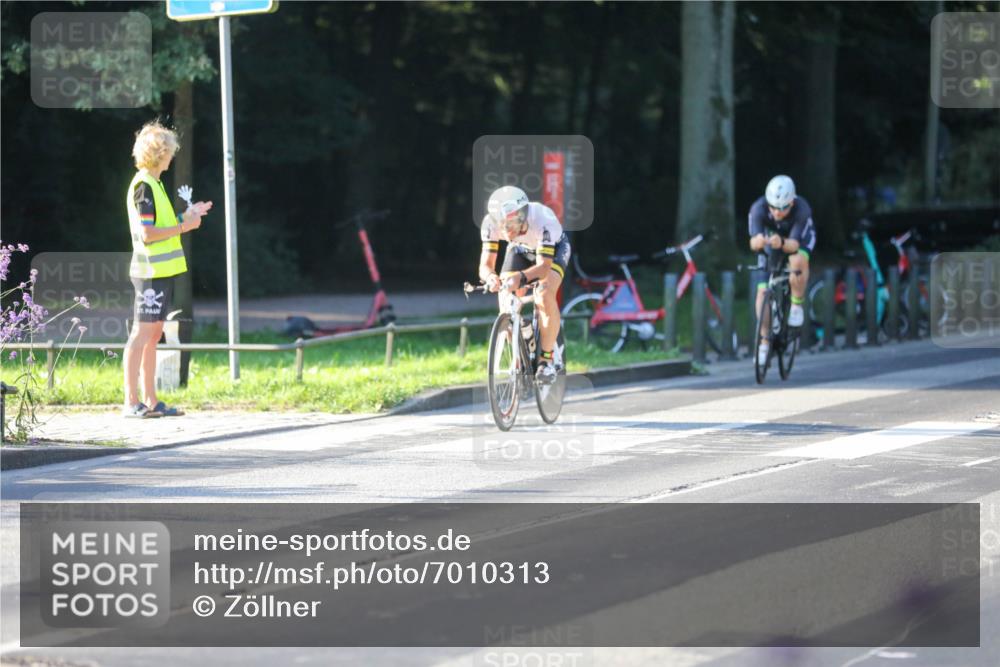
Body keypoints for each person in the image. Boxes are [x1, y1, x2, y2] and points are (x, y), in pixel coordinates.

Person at [123, 121, 212, 418]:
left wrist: (185, 215)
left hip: (160, 273)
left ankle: (150, 400)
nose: (172, 156)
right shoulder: (145, 187)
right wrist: (184, 225)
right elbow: (148, 234)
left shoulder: (153, 184)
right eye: (170, 151)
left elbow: (159, 225)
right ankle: (131, 402)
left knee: (153, 334)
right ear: (159, 153)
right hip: (149, 273)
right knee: (142, 333)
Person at [478, 185, 570, 383]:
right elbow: (485, 266)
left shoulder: (543, 219)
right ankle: (520, 352)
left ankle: (546, 362)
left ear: (522, 216)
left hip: (552, 251)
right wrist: (491, 278)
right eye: (501, 224)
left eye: (510, 224)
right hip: (520, 250)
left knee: (544, 293)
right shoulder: (490, 224)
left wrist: (518, 278)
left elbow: (544, 268)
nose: (505, 230)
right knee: (505, 298)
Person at [748, 175, 816, 364]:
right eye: (773, 207)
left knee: (797, 260)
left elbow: (794, 244)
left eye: (783, 208)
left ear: (792, 203)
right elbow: (753, 242)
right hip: (772, 242)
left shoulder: (802, 209)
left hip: (797, 240)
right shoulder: (758, 208)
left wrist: (783, 242)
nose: (777, 212)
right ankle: (764, 342)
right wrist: (758, 241)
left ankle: (795, 304)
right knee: (762, 293)